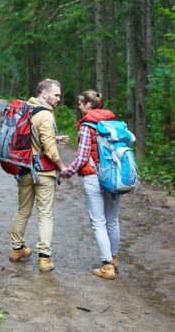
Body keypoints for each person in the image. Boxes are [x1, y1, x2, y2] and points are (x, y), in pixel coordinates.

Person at [9, 78, 67, 272]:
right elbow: (49, 150)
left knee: (23, 210)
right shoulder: (46, 115)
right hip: (43, 171)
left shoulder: (26, 109)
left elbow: (33, 138)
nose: (58, 98)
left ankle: (17, 249)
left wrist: (55, 138)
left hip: (24, 168)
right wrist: (61, 166)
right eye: (56, 94)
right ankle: (44, 259)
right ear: (44, 94)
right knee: (45, 215)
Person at [61, 89, 120, 280]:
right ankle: (114, 258)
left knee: (98, 221)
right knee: (112, 219)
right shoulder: (112, 122)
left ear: (88, 105)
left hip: (94, 176)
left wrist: (67, 172)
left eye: (80, 104)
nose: (79, 107)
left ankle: (107, 266)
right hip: (113, 176)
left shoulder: (87, 126)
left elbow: (82, 157)